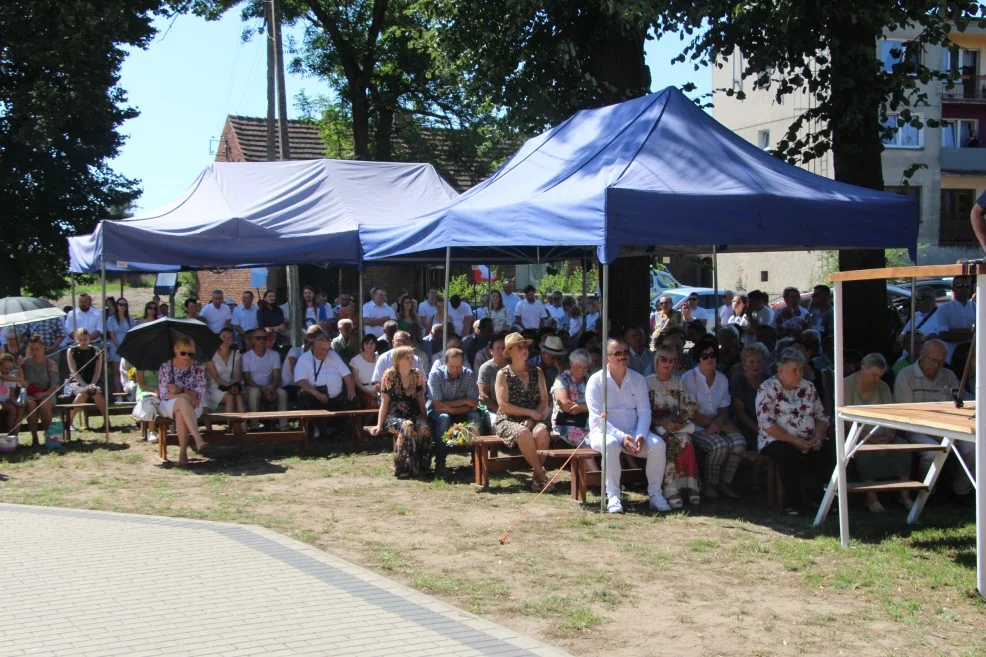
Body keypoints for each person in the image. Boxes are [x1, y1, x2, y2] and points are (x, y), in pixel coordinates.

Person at [586, 338, 669, 513]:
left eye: (625, 352)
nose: (622, 356)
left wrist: (640, 435)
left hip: (633, 432)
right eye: (617, 353)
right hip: (603, 433)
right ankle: (613, 496)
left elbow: (645, 412)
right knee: (611, 444)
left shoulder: (638, 379)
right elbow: (596, 419)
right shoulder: (596, 381)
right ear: (607, 357)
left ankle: (655, 495)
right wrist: (621, 437)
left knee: (658, 445)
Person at [894, 339, 974, 500]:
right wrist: (938, 435)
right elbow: (907, 413)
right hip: (915, 427)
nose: (937, 365)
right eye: (933, 360)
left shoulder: (949, 375)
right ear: (922, 355)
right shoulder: (906, 375)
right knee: (932, 452)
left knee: (974, 447)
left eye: (941, 362)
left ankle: (961, 490)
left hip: (948, 426)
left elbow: (959, 404)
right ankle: (927, 493)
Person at [755, 347, 829, 516]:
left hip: (807, 438)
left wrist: (818, 437)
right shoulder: (767, 389)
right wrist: (794, 441)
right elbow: (767, 424)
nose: (799, 374)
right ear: (780, 371)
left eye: (801, 369)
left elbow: (821, 417)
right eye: (794, 370)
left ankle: (822, 498)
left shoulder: (808, 387)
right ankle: (793, 503)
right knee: (787, 453)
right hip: (775, 440)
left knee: (828, 450)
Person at [845, 353, 914, 512]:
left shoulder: (883, 387)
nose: (877, 379)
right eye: (873, 375)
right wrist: (867, 438)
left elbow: (891, 413)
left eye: (880, 375)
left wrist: (890, 434)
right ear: (863, 368)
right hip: (859, 435)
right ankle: (871, 497)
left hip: (884, 434)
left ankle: (904, 495)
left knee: (903, 447)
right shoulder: (846, 385)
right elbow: (847, 418)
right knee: (866, 452)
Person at [680, 337, 746, 500]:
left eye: (712, 354)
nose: (710, 359)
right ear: (698, 359)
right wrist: (716, 426)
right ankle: (709, 484)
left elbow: (724, 408)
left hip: (717, 422)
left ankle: (725, 483)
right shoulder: (688, 378)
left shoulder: (722, 378)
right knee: (719, 445)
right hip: (695, 424)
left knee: (739, 442)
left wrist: (719, 423)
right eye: (704, 356)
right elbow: (691, 413)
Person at [646, 343, 702, 508]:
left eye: (672, 360)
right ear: (656, 361)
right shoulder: (646, 383)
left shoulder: (678, 382)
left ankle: (689, 487)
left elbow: (687, 406)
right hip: (654, 425)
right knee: (670, 443)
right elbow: (644, 411)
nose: (667, 363)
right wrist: (662, 423)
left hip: (674, 423)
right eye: (663, 359)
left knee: (685, 440)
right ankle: (670, 490)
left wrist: (680, 421)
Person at [494, 333, 551, 491]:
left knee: (542, 433)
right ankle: (541, 474)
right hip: (508, 419)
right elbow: (503, 405)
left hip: (534, 418)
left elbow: (544, 400)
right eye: (519, 347)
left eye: (525, 346)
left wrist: (533, 417)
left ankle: (536, 480)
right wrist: (530, 413)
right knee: (524, 432)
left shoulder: (537, 371)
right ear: (510, 351)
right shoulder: (503, 374)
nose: (524, 350)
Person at [367, 346, 431, 478]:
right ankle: (402, 467)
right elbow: (385, 402)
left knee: (424, 428)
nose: (411, 360)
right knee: (407, 426)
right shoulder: (389, 375)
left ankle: (422, 467)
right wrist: (379, 425)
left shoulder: (417, 374)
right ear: (398, 360)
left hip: (413, 413)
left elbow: (420, 398)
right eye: (407, 357)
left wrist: (426, 419)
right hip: (394, 415)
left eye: (411, 357)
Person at [428, 348, 481, 476]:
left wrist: (452, 408)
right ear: (445, 362)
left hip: (459, 412)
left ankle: (478, 461)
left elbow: (473, 403)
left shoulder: (468, 374)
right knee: (444, 418)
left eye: (459, 366)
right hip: (437, 412)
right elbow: (436, 404)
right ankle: (440, 463)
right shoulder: (436, 374)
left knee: (475, 416)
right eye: (452, 366)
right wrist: (464, 401)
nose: (456, 370)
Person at [295, 332, 357, 438]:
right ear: (313, 346)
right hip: (315, 396)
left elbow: (347, 374)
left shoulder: (333, 356)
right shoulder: (304, 359)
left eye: (327, 349)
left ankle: (347, 432)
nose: (325, 353)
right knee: (305, 396)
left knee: (353, 398)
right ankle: (312, 431)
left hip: (336, 397)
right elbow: (300, 381)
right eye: (322, 349)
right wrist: (317, 394)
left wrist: (351, 389)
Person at [158, 336, 208, 466]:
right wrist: (185, 395)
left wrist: (180, 391)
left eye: (190, 353)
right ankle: (197, 438)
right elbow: (164, 394)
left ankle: (183, 455)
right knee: (182, 402)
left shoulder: (198, 367)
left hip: (193, 405)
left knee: (181, 412)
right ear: (175, 349)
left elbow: (199, 393)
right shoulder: (166, 367)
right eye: (183, 353)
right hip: (169, 405)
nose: (187, 357)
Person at [241, 328, 288, 429]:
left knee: (282, 393)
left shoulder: (274, 354)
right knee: (254, 392)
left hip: (270, 386)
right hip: (252, 387)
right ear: (252, 340)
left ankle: (283, 425)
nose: (262, 340)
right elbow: (247, 380)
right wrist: (263, 390)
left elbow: (277, 376)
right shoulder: (245, 357)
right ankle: (254, 425)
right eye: (258, 338)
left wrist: (272, 388)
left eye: (264, 338)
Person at [731, 342, 770, 449]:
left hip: (769, 426)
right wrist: (760, 431)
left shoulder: (769, 380)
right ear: (744, 365)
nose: (756, 365)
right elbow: (740, 413)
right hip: (745, 428)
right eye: (751, 362)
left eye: (759, 361)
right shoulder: (739, 381)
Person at [21, 335, 59, 445]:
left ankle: (49, 436)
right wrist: (20, 367)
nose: (34, 352)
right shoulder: (26, 362)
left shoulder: (51, 364)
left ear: (43, 348)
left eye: (37, 349)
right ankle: (34, 437)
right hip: (31, 393)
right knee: (31, 404)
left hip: (47, 392)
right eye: (32, 349)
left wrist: (43, 394)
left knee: (44, 404)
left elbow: (55, 386)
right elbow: (21, 381)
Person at [551, 348, 591, 448]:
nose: (582, 371)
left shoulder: (590, 379)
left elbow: (601, 403)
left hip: (587, 422)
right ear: (571, 364)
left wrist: (581, 408)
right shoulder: (562, 379)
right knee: (587, 444)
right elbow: (566, 406)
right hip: (566, 423)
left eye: (585, 368)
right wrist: (588, 407)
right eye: (578, 367)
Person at [65, 328, 105, 425]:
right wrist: (85, 385)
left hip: (93, 381)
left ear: (89, 338)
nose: (83, 342)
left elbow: (97, 372)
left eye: (85, 339)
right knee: (83, 393)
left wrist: (91, 384)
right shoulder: (71, 351)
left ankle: (106, 420)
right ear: (76, 340)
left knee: (97, 392)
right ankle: (69, 420)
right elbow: (74, 371)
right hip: (77, 382)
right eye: (80, 340)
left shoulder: (96, 351)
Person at [204, 328, 245, 421]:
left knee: (238, 395)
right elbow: (215, 377)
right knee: (230, 396)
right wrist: (230, 386)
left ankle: (243, 428)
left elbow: (237, 374)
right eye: (224, 337)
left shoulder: (236, 355)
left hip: (232, 385)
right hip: (215, 387)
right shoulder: (210, 355)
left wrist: (235, 384)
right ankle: (229, 425)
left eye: (230, 338)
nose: (226, 340)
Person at [937, 275, 975, 370]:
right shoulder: (944, 309)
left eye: (967, 286)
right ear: (953, 288)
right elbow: (944, 335)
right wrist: (972, 332)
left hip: (973, 360)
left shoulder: (977, 308)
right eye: (960, 286)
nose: (964, 289)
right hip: (950, 360)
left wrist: (955, 331)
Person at [477, 333, 507, 433]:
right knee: (497, 425)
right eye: (498, 348)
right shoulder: (486, 368)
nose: (501, 351)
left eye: (503, 348)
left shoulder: (512, 365)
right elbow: (483, 395)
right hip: (492, 408)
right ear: (491, 351)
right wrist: (500, 410)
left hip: (513, 408)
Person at [105, 296, 134, 395]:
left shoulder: (130, 319)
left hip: (128, 348)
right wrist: (118, 346)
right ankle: (118, 395)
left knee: (129, 372)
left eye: (125, 305)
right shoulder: (111, 319)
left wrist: (126, 347)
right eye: (121, 304)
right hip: (115, 347)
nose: (123, 307)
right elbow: (111, 334)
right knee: (117, 372)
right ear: (117, 306)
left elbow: (132, 334)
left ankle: (129, 394)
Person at [350, 334, 381, 408]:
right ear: (363, 345)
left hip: (379, 389)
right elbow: (357, 382)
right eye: (367, 343)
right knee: (372, 403)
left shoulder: (380, 358)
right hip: (363, 391)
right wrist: (369, 392)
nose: (369, 345)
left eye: (372, 343)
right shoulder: (356, 360)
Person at [0, 353, 26, 434]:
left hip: (8, 400)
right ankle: (10, 433)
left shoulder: (12, 377)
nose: (7, 370)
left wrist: (20, 366)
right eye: (5, 368)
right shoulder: (3, 376)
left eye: (10, 368)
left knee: (18, 409)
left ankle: (15, 434)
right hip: (1, 401)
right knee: (12, 409)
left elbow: (11, 395)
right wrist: (20, 380)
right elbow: (4, 377)